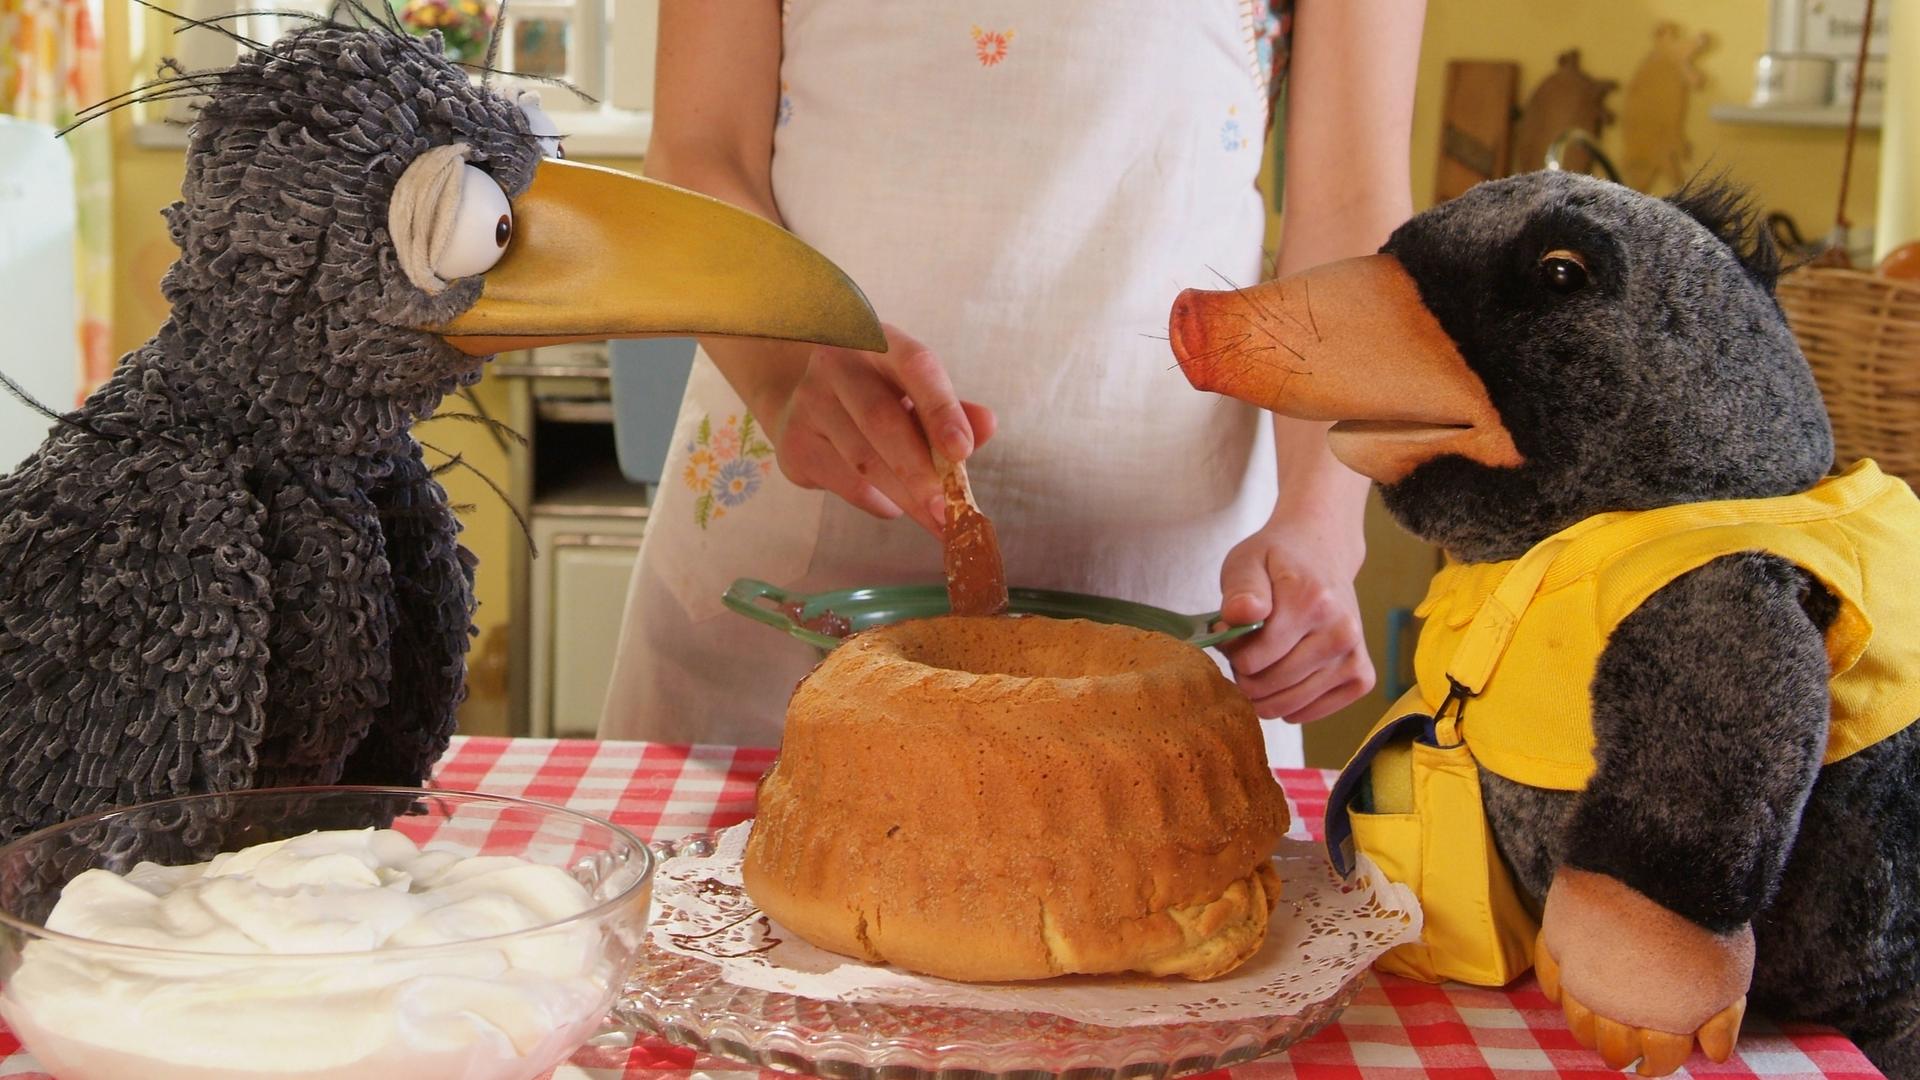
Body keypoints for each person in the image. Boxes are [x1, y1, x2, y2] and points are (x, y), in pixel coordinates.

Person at [599, 0, 1424, 765]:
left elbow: (1348, 203)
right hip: (784, 605)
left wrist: (1320, 525)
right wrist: (783, 368)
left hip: (1175, 601)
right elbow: (699, 151)